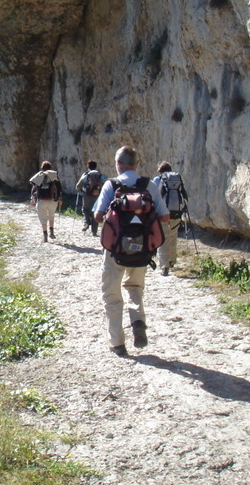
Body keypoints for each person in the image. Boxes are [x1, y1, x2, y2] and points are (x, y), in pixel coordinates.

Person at [93, 146, 169, 356]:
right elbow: (164, 217)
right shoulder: (149, 185)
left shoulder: (111, 184)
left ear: (118, 164)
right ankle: (137, 322)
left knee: (111, 295)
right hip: (142, 250)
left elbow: (98, 216)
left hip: (115, 249)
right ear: (137, 164)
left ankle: (117, 343)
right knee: (135, 287)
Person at [152, 162, 189, 276]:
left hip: (163, 213)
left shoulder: (158, 180)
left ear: (160, 171)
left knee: (163, 238)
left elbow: (153, 195)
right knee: (173, 236)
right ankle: (172, 260)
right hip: (177, 212)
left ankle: (164, 266)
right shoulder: (176, 179)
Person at [29, 161, 63, 242]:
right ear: (50, 168)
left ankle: (45, 235)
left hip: (41, 200)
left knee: (43, 218)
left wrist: (32, 198)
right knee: (51, 216)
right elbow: (59, 188)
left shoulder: (39, 175)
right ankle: (52, 232)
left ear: (42, 168)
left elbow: (34, 187)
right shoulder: (54, 175)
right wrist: (60, 199)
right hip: (53, 200)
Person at [75, 160, 104, 236]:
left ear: (88, 166)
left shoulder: (86, 175)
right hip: (97, 196)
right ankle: (94, 232)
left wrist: (79, 189)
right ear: (96, 166)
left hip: (87, 195)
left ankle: (86, 223)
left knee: (85, 209)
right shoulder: (100, 175)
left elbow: (78, 186)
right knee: (94, 211)